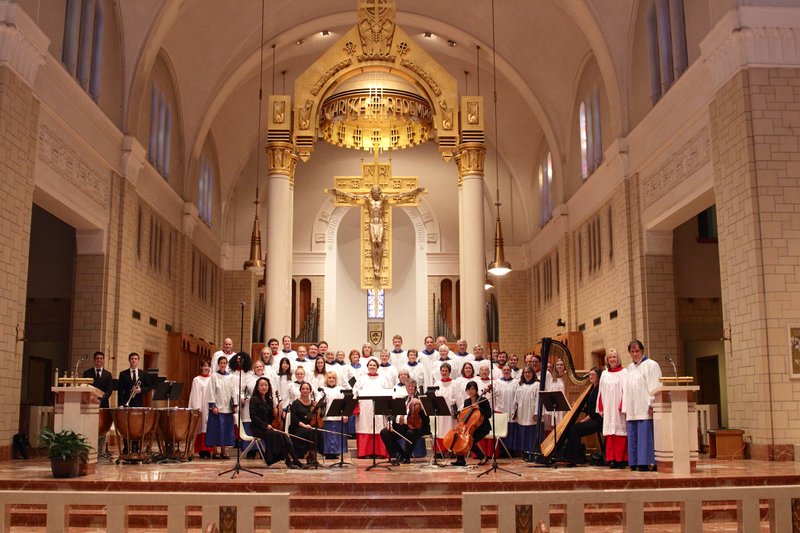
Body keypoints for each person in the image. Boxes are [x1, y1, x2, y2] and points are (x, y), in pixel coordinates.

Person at [622, 339, 662, 472]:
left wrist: (652, 404)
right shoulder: (629, 368)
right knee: (633, 436)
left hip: (645, 407)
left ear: (642, 351)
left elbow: (655, 386)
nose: (635, 354)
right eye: (632, 352)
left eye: (637, 351)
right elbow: (627, 389)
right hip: (633, 408)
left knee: (644, 436)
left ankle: (645, 462)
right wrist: (626, 407)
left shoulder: (652, 365)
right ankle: (634, 462)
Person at [248, 377, 303, 468]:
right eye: (261, 385)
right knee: (278, 435)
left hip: (268, 428)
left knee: (284, 435)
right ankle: (289, 461)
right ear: (257, 387)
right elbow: (253, 417)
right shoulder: (254, 399)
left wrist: (279, 411)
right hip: (257, 428)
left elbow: (272, 417)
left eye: (266, 385)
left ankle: (294, 460)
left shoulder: (269, 400)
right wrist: (266, 425)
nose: (264, 387)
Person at [559, 367, 603, 466]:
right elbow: (589, 409)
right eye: (590, 374)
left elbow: (596, 410)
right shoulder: (592, 388)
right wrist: (578, 406)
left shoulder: (599, 389)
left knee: (575, 429)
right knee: (573, 428)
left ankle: (573, 458)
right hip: (593, 418)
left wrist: (586, 419)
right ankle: (576, 457)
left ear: (599, 376)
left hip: (599, 420)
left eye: (593, 374)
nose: (590, 376)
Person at [380, 379, 429, 465]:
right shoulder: (404, 399)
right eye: (408, 386)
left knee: (410, 433)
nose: (410, 388)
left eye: (412, 386)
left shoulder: (422, 398)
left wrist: (422, 404)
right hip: (404, 425)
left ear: (415, 387)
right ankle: (400, 454)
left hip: (418, 426)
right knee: (384, 432)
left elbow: (427, 413)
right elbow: (394, 413)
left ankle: (406, 457)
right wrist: (390, 422)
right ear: (405, 388)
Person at [353, 358, 392, 458]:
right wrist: (356, 407)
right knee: (365, 427)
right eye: (370, 365)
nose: (372, 367)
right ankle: (365, 452)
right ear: (367, 366)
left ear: (377, 367)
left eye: (374, 365)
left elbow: (388, 392)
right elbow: (355, 392)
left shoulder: (383, 379)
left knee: (379, 427)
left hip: (379, 407)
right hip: (365, 408)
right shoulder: (362, 379)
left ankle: (380, 452)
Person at [598, 348, 628, 469]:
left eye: (614, 357)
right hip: (608, 407)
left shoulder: (624, 372)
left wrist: (623, 405)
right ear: (607, 360)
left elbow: (626, 390)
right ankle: (612, 459)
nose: (612, 359)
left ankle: (621, 460)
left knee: (620, 433)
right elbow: (601, 391)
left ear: (618, 358)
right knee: (610, 433)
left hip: (619, 408)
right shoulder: (604, 374)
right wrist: (601, 407)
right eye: (610, 357)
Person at [450, 381, 491, 466]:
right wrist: (459, 414)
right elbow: (465, 415)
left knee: (469, 442)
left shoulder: (483, 400)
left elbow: (489, 414)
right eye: (469, 389)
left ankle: (483, 457)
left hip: (482, 427)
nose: (471, 391)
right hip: (470, 427)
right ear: (466, 391)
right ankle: (460, 460)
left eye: (473, 389)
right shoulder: (467, 402)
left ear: (476, 390)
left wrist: (479, 408)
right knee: (460, 438)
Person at [204, 356, 237, 459]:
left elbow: (233, 391)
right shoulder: (214, 376)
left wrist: (235, 404)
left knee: (225, 430)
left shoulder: (230, 377)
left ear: (226, 364)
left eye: (224, 363)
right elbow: (211, 391)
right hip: (217, 408)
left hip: (227, 407)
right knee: (215, 430)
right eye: (221, 363)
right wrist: (213, 406)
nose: (223, 365)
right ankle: (215, 451)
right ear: (218, 364)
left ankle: (223, 451)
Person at [289, 382, 324, 466]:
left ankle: (312, 456)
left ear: (310, 391)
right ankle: (312, 457)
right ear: (300, 390)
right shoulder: (295, 403)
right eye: (303, 389)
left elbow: (318, 417)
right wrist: (304, 425)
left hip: (309, 428)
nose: (305, 390)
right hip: (297, 428)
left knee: (317, 432)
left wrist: (317, 409)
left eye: (307, 389)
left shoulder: (313, 403)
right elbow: (294, 419)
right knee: (310, 432)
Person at [508, 365, 538, 456]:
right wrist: (514, 411)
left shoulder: (537, 384)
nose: (527, 374)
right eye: (525, 372)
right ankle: (524, 453)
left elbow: (538, 400)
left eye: (529, 372)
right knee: (523, 434)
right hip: (521, 412)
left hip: (531, 413)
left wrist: (536, 413)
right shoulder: (520, 385)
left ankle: (532, 453)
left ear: (533, 374)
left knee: (531, 435)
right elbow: (515, 400)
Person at [188, 360, 214, 458]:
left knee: (209, 427)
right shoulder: (197, 380)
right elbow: (194, 394)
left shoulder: (212, 378)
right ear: (201, 367)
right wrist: (196, 408)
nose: (206, 368)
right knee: (200, 427)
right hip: (200, 405)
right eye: (204, 366)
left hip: (210, 406)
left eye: (208, 366)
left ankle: (209, 449)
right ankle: (201, 449)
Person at [432, 363, 457, 457]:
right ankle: (440, 450)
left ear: (449, 372)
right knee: (441, 430)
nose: (444, 372)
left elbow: (457, 397)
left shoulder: (454, 383)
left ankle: (451, 450)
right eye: (442, 371)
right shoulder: (437, 383)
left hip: (450, 411)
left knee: (451, 430)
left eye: (446, 371)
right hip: (440, 411)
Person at [320, 371, 346, 459]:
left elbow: (344, 403)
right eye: (329, 378)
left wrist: (345, 414)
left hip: (338, 416)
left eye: (333, 378)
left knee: (337, 435)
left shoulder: (340, 389)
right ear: (326, 379)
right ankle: (328, 452)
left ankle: (336, 452)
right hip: (327, 416)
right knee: (328, 435)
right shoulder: (322, 389)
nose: (331, 379)